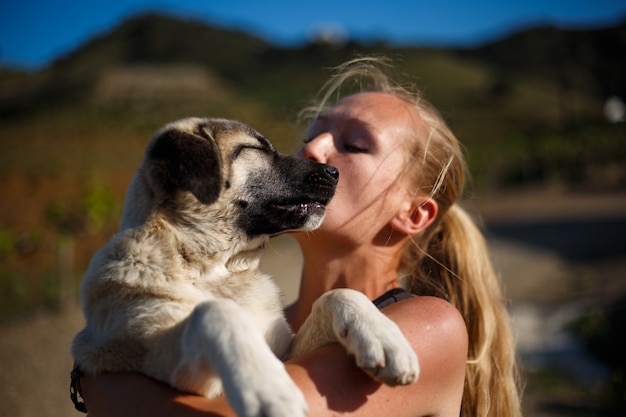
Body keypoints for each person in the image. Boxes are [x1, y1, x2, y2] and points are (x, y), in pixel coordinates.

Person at [77, 57, 522, 417]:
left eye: (354, 145)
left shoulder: (429, 327)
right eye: (312, 135)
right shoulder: (281, 320)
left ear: (414, 213)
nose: (312, 150)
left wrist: (93, 379)